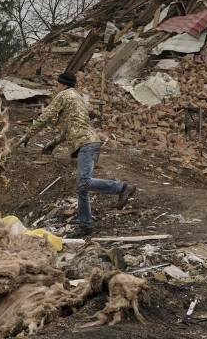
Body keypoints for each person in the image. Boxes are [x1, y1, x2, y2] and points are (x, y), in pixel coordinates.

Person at [21, 72, 136, 235]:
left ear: (63, 84)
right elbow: (69, 130)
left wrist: (28, 135)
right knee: (82, 188)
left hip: (86, 144)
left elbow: (45, 117)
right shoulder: (76, 99)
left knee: (84, 182)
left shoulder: (64, 95)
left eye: (58, 84)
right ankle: (85, 225)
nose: (56, 86)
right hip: (90, 142)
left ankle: (122, 188)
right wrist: (52, 144)